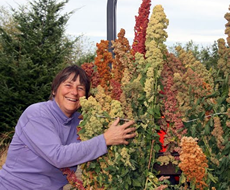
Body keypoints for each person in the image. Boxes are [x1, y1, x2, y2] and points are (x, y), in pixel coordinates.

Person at [0, 65, 136, 190]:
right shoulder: (37, 114)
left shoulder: (82, 123)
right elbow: (58, 156)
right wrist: (105, 139)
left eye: (80, 88)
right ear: (54, 90)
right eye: (68, 85)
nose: (74, 92)